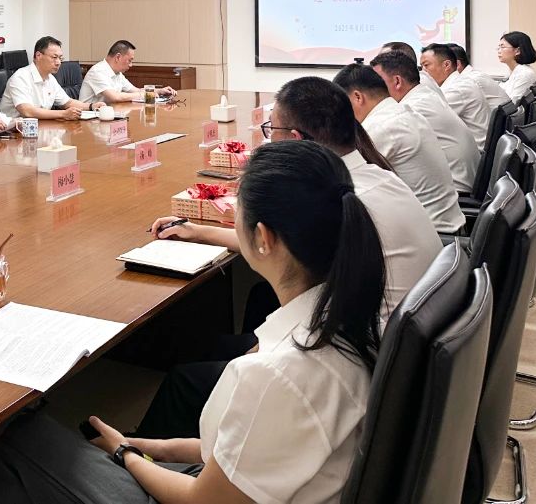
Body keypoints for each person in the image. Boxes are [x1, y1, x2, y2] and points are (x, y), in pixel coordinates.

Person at [0, 140, 386, 504]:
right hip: (248, 487)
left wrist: (126, 454)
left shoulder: (275, 374)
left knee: (15, 438)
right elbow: (239, 453)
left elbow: (201, 499)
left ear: (263, 238)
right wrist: (150, 449)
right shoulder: (345, 319)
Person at [139, 77, 439, 440]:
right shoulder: (365, 179)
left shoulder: (338, 201)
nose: (269, 139)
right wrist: (197, 231)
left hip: (360, 367)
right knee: (233, 325)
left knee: (184, 381)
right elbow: (276, 244)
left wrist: (255, 360)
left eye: (272, 130)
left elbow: (276, 248)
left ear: (295, 139)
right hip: (393, 352)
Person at [333, 63, 465, 233]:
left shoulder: (382, 126)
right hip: (441, 228)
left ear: (358, 97)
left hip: (433, 231)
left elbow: (344, 179)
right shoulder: (405, 112)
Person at [370, 50, 479, 193]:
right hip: (460, 181)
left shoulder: (412, 108)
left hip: (458, 189)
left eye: (377, 83)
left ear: (397, 81)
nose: (372, 89)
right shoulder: (424, 95)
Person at [0, 36, 104, 120]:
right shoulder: (20, 78)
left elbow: (68, 103)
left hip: (40, 128)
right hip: (13, 133)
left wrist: (92, 106)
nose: (58, 62)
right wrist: (63, 114)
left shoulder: (50, 78)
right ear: (38, 55)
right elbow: (27, 111)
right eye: (54, 57)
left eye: (60, 58)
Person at [420, 43, 493, 149]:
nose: (423, 72)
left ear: (446, 65)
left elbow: (426, 121)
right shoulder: (458, 82)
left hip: (475, 151)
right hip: (470, 146)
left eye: (426, 65)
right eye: (421, 66)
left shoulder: (457, 89)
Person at [79, 40, 175, 105]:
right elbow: (115, 97)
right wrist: (145, 95)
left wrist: (159, 91)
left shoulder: (117, 73)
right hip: (89, 119)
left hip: (107, 116)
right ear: (118, 57)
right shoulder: (98, 71)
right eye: (130, 60)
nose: (131, 65)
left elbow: (135, 90)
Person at [449, 42, 512, 111]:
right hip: (503, 115)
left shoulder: (467, 81)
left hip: (499, 116)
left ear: (457, 64)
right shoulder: (473, 74)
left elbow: (446, 109)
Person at [497, 31, 536, 101]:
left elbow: (511, 104)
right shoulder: (515, 71)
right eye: (498, 47)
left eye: (502, 47)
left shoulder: (524, 74)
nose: (499, 51)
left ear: (517, 51)